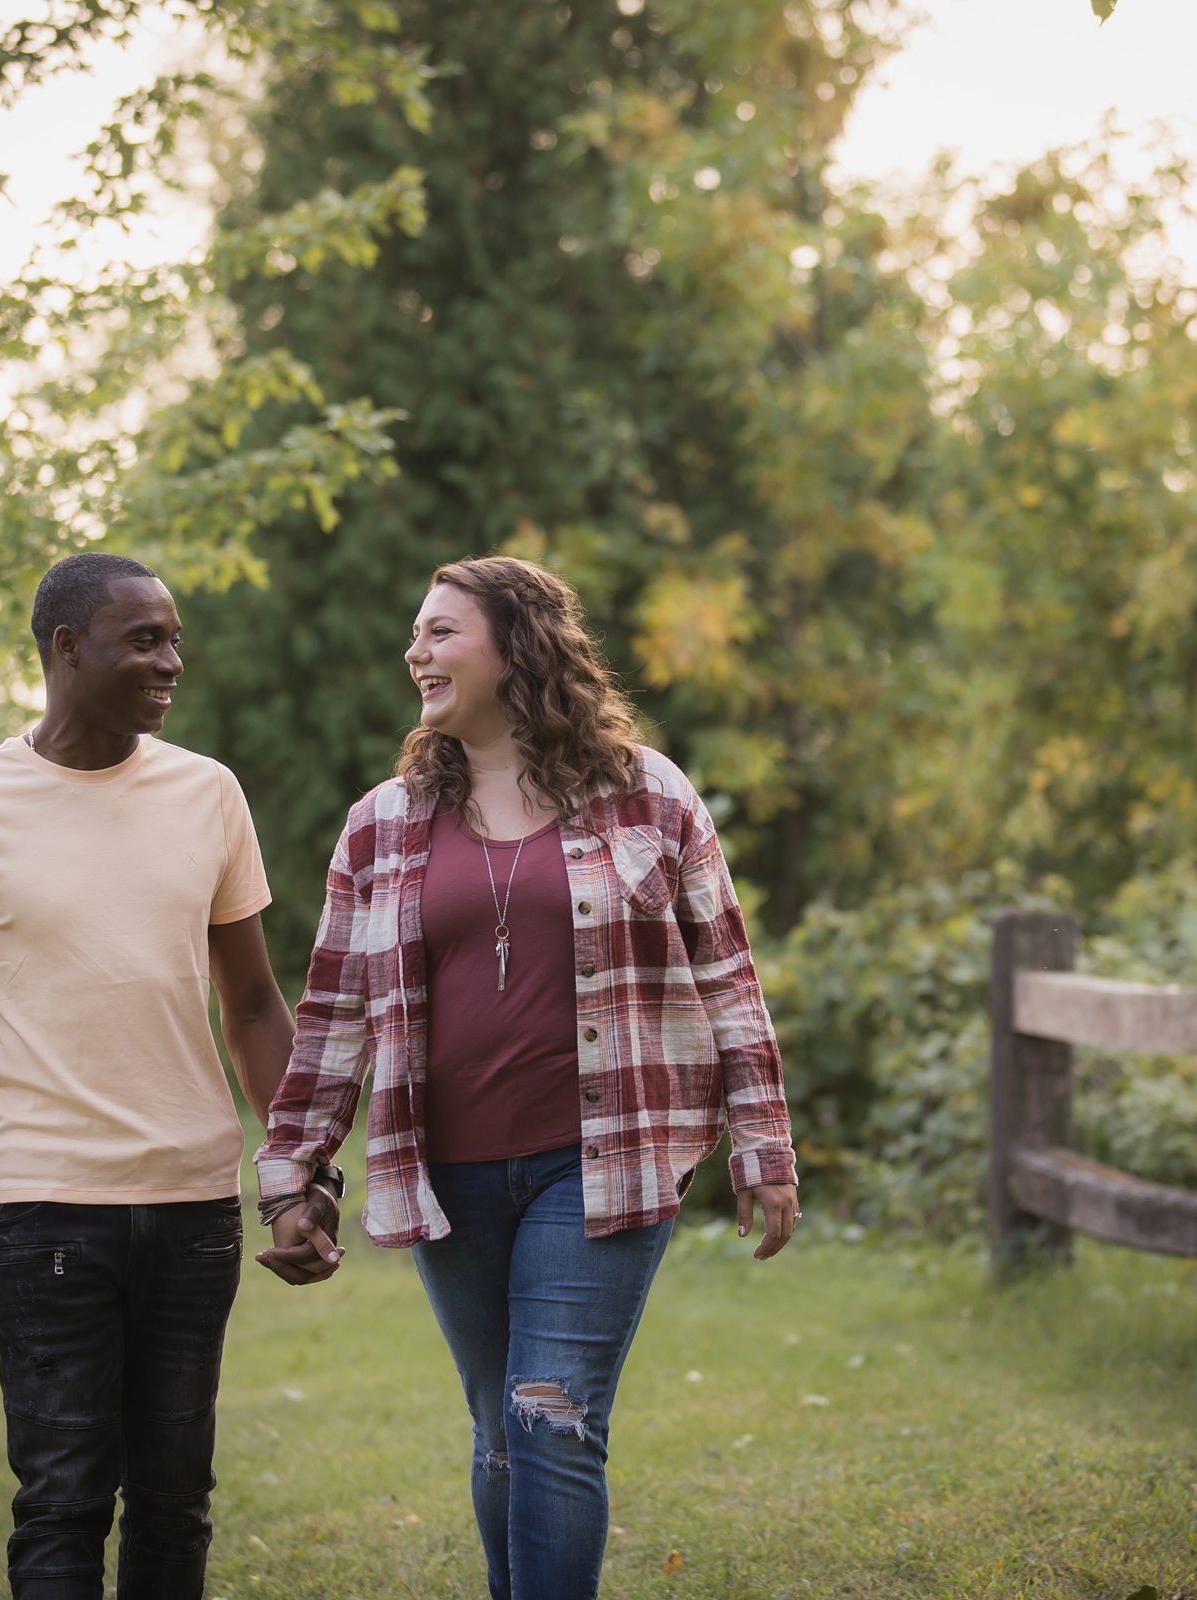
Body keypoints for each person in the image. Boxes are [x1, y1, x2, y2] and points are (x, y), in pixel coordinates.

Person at [253, 555, 800, 1600]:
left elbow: (730, 979)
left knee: (549, 1415)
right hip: (446, 1176)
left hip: (601, 1167)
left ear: (518, 646)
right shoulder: (382, 823)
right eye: (416, 633)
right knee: (501, 1429)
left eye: (441, 631)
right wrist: (294, 1175)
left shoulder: (649, 796)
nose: (416, 651)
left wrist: (764, 1146)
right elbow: (331, 1015)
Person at [0, 552, 296, 1600]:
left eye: (174, 638)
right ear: (67, 649)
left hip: (196, 1209)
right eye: (144, 639)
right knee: (63, 1500)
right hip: (46, 1213)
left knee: (175, 1498)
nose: (172, 661)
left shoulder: (208, 793)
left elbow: (252, 1003)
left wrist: (299, 1173)